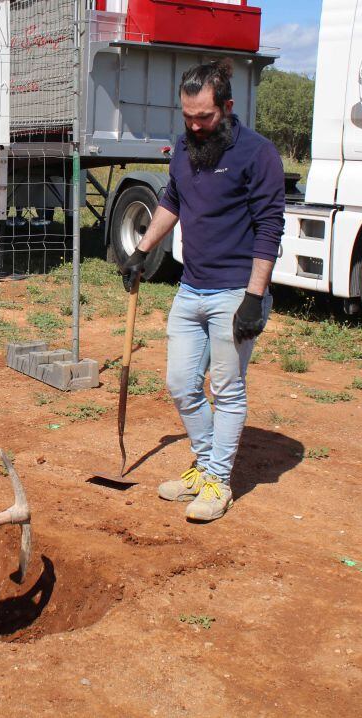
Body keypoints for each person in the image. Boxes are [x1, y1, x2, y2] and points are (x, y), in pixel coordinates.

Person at [122, 59, 285, 522]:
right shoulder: (184, 146)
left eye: (205, 118)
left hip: (235, 291)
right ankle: (205, 464)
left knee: (227, 389)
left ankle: (217, 481)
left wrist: (255, 296)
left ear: (228, 107)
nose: (195, 126)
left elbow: (271, 226)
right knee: (180, 384)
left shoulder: (258, 154)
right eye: (188, 117)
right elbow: (173, 198)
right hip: (190, 288)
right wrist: (143, 248)